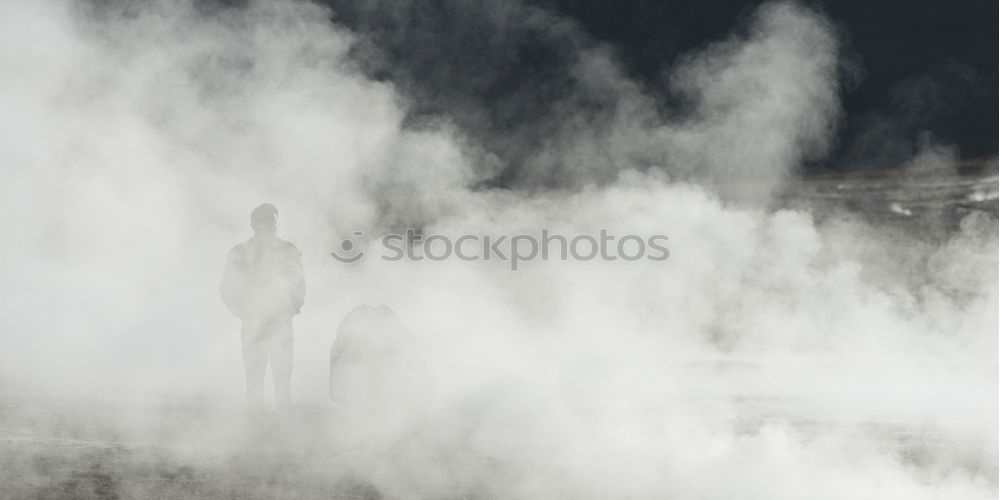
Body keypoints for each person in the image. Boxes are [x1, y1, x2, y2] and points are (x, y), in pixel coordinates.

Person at [221, 203, 305, 415]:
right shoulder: (240, 252)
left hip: (279, 320)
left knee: (283, 373)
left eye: (273, 221)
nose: (270, 226)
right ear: (253, 224)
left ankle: (284, 419)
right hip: (254, 319)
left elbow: (299, 282)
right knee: (254, 372)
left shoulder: (288, 250)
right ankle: (255, 419)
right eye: (265, 221)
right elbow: (227, 286)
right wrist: (240, 310)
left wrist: (293, 306)